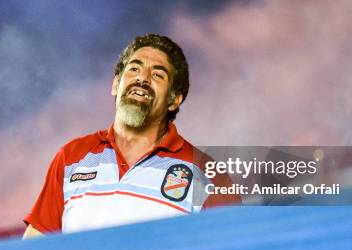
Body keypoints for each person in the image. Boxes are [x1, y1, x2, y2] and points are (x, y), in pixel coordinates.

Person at [23, 34, 239, 238]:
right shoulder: (71, 156)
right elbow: (34, 249)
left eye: (157, 74)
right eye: (134, 68)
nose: (142, 79)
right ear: (116, 85)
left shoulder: (207, 174)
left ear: (174, 100)